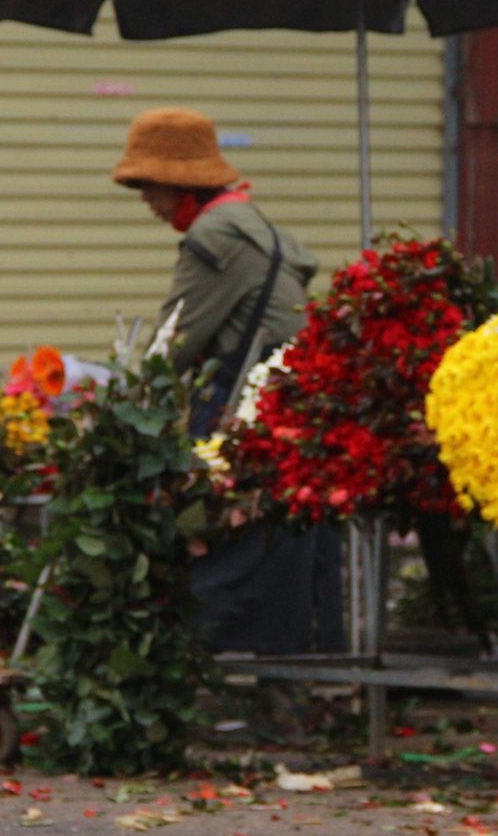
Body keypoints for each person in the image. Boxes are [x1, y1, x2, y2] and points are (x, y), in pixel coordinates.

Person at [112, 107, 345, 672]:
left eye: (149, 183)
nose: (145, 197)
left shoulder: (213, 235)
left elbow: (175, 345)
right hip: (292, 411)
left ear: (182, 180)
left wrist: (122, 416)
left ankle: (195, 663)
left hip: (250, 414)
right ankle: (292, 683)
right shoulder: (252, 223)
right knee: (287, 553)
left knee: (220, 542)